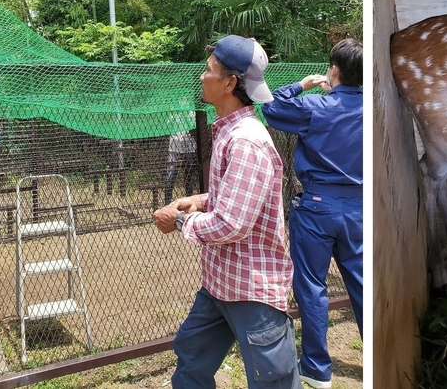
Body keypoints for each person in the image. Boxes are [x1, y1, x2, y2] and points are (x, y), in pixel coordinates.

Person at [152, 35, 299, 389]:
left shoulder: (246, 140)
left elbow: (231, 223)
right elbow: (238, 196)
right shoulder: (230, 131)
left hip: (251, 290)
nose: (202, 77)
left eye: (209, 70)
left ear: (230, 83)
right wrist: (202, 200)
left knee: (273, 382)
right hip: (220, 283)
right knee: (191, 359)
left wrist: (180, 220)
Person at [261, 38, 363, 389]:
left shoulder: (316, 106)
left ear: (334, 70)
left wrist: (301, 85)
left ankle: (317, 369)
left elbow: (271, 107)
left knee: (312, 286)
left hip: (318, 207)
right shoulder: (370, 108)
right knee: (362, 284)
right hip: (360, 209)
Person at [163, 130, 197, 206]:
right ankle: (167, 203)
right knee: (170, 177)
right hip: (174, 146)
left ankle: (189, 201)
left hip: (189, 146)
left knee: (189, 176)